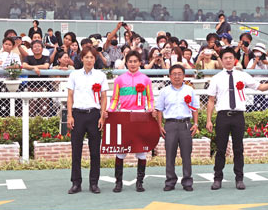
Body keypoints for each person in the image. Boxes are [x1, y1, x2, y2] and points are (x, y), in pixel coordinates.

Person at [206, 48, 268, 190]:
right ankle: (217, 178)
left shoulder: (242, 75)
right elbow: (211, 100)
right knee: (220, 149)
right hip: (222, 116)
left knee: (238, 149)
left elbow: (260, 87)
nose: (228, 60)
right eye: (225, 58)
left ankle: (239, 179)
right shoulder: (216, 78)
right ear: (222, 60)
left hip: (238, 116)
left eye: (231, 57)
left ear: (234, 59)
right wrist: (209, 120)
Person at [106, 51, 154, 192]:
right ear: (126, 63)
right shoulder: (119, 80)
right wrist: (110, 111)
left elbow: (150, 99)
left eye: (135, 61)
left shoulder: (146, 79)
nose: (133, 64)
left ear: (140, 63)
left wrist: (150, 109)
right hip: (124, 117)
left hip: (140, 116)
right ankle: (118, 182)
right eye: (130, 61)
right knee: (120, 151)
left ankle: (140, 182)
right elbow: (115, 99)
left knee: (141, 152)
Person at [66, 47, 108, 194]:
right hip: (78, 115)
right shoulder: (74, 75)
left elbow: (103, 97)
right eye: (86, 57)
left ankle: (94, 183)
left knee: (95, 152)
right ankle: (76, 183)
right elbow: (70, 97)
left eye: (92, 57)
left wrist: (102, 116)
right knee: (76, 151)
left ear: (95, 59)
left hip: (94, 115)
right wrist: (69, 116)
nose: (89, 60)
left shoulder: (100, 75)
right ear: (82, 58)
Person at [155, 64, 199, 192]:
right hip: (170, 124)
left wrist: (195, 124)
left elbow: (195, 108)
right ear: (169, 76)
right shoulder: (164, 91)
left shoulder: (189, 90)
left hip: (186, 124)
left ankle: (187, 181)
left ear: (184, 75)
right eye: (174, 74)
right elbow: (159, 110)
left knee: (186, 154)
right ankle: (170, 181)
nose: (177, 76)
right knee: (170, 154)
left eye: (180, 73)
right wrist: (160, 126)